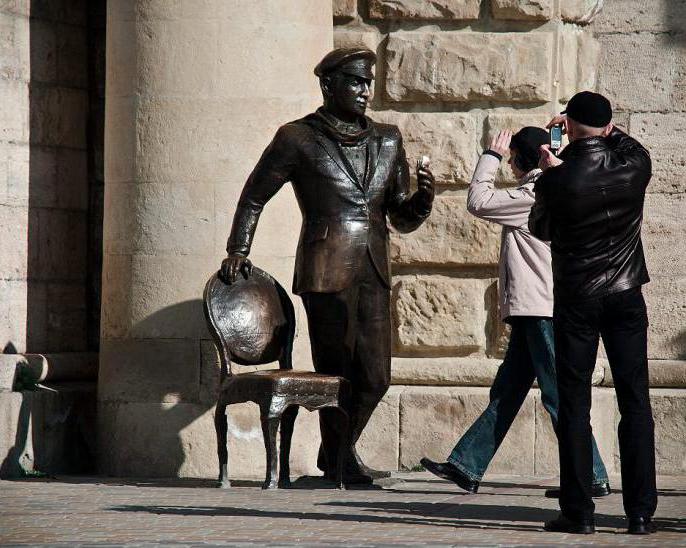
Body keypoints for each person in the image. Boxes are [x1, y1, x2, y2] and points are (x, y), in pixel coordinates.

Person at [220, 47, 435, 485]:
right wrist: (238, 248)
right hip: (325, 268)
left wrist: (423, 202)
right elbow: (254, 196)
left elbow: (399, 214)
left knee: (376, 376)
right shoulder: (296, 137)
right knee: (335, 374)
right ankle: (342, 463)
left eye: (367, 82)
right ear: (328, 85)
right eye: (355, 82)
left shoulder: (388, 138)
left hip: (373, 265)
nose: (364, 92)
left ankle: (336, 453)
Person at [420, 127, 611, 496]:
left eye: (511, 158)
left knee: (559, 394)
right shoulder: (555, 184)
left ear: (527, 157)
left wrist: (489, 156)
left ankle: (591, 475)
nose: (509, 162)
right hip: (533, 309)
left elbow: (478, 201)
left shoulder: (534, 193)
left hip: (541, 308)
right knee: (507, 391)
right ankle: (466, 466)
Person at [530, 91, 657, 535]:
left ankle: (578, 511)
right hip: (625, 295)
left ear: (568, 125)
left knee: (575, 404)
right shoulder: (633, 167)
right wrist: (601, 130)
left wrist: (552, 170)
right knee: (635, 401)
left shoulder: (555, 181)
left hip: (577, 300)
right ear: (607, 125)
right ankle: (640, 512)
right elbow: (630, 145)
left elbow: (540, 229)